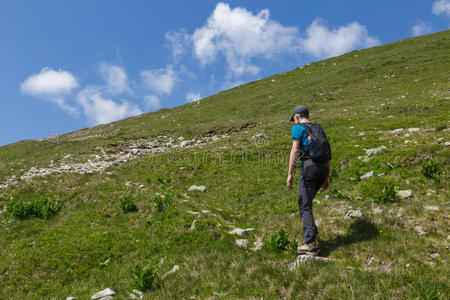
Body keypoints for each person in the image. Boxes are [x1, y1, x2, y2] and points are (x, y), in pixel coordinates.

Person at [286, 105, 332, 255]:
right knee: (306, 202)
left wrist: (290, 174)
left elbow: (294, 150)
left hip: (309, 168)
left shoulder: (298, 129)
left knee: (304, 205)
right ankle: (313, 233)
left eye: (293, 119)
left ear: (297, 116)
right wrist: (327, 177)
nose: (293, 122)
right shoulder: (320, 130)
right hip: (322, 169)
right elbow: (329, 156)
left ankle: (310, 243)